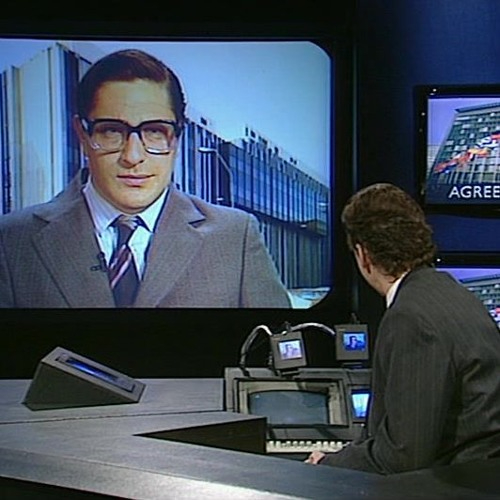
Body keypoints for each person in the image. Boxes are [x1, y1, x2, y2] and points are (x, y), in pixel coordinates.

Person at [0, 49, 291, 308]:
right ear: (82, 135)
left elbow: (274, 345)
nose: (133, 156)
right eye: (111, 130)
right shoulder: (11, 239)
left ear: (176, 138)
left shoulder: (235, 236)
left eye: (154, 131)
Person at [306, 183, 500, 473]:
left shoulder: (411, 317)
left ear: (363, 255)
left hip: (451, 487)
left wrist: (328, 464)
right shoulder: (454, 293)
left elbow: (403, 456)